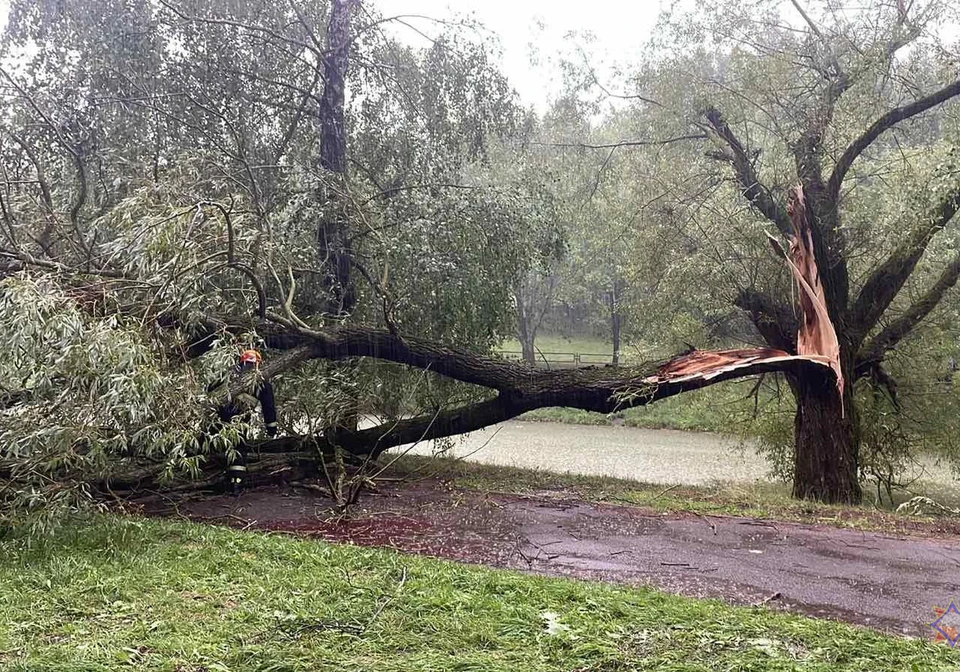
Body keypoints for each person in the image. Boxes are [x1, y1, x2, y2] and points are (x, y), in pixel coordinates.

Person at [207, 349, 278, 494]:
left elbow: (210, 388)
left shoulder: (230, 376)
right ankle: (235, 483)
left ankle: (229, 480)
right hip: (239, 419)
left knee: (221, 442)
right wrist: (271, 428)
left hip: (223, 417)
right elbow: (268, 408)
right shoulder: (263, 383)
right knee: (238, 447)